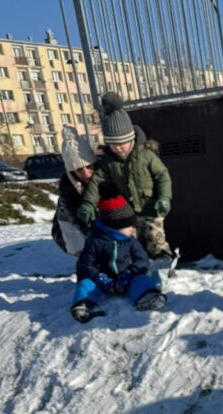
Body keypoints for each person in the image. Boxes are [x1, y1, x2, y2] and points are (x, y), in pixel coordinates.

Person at [77, 92, 173, 259]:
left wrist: (164, 198)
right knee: (125, 240)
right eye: (114, 145)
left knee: (155, 237)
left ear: (131, 139)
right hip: (125, 212)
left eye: (122, 143)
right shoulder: (108, 162)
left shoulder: (146, 155)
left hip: (150, 207)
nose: (119, 148)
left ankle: (162, 258)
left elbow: (162, 176)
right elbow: (96, 183)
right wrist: (88, 204)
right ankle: (129, 264)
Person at [70, 183, 166, 323]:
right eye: (128, 226)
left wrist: (131, 272)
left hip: (126, 277)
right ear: (112, 228)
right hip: (102, 281)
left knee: (142, 280)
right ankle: (84, 304)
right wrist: (97, 276)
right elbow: (84, 264)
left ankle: (148, 297)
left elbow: (142, 259)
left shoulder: (130, 241)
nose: (132, 229)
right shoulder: (95, 241)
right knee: (85, 284)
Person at [51, 126, 98, 257]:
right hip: (70, 227)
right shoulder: (67, 186)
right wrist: (92, 234)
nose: (86, 173)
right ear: (71, 171)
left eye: (89, 167)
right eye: (79, 170)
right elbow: (76, 218)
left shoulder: (103, 174)